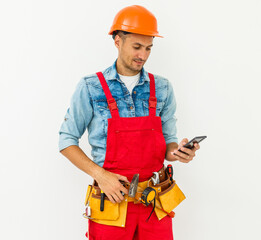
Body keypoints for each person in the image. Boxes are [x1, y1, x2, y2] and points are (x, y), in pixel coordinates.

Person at [58, 5, 201, 240]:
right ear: (117, 40)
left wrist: (179, 152)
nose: (142, 55)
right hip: (111, 204)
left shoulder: (162, 88)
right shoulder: (91, 87)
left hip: (154, 204)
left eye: (148, 48)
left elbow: (169, 144)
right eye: (136, 47)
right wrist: (101, 176)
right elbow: (66, 140)